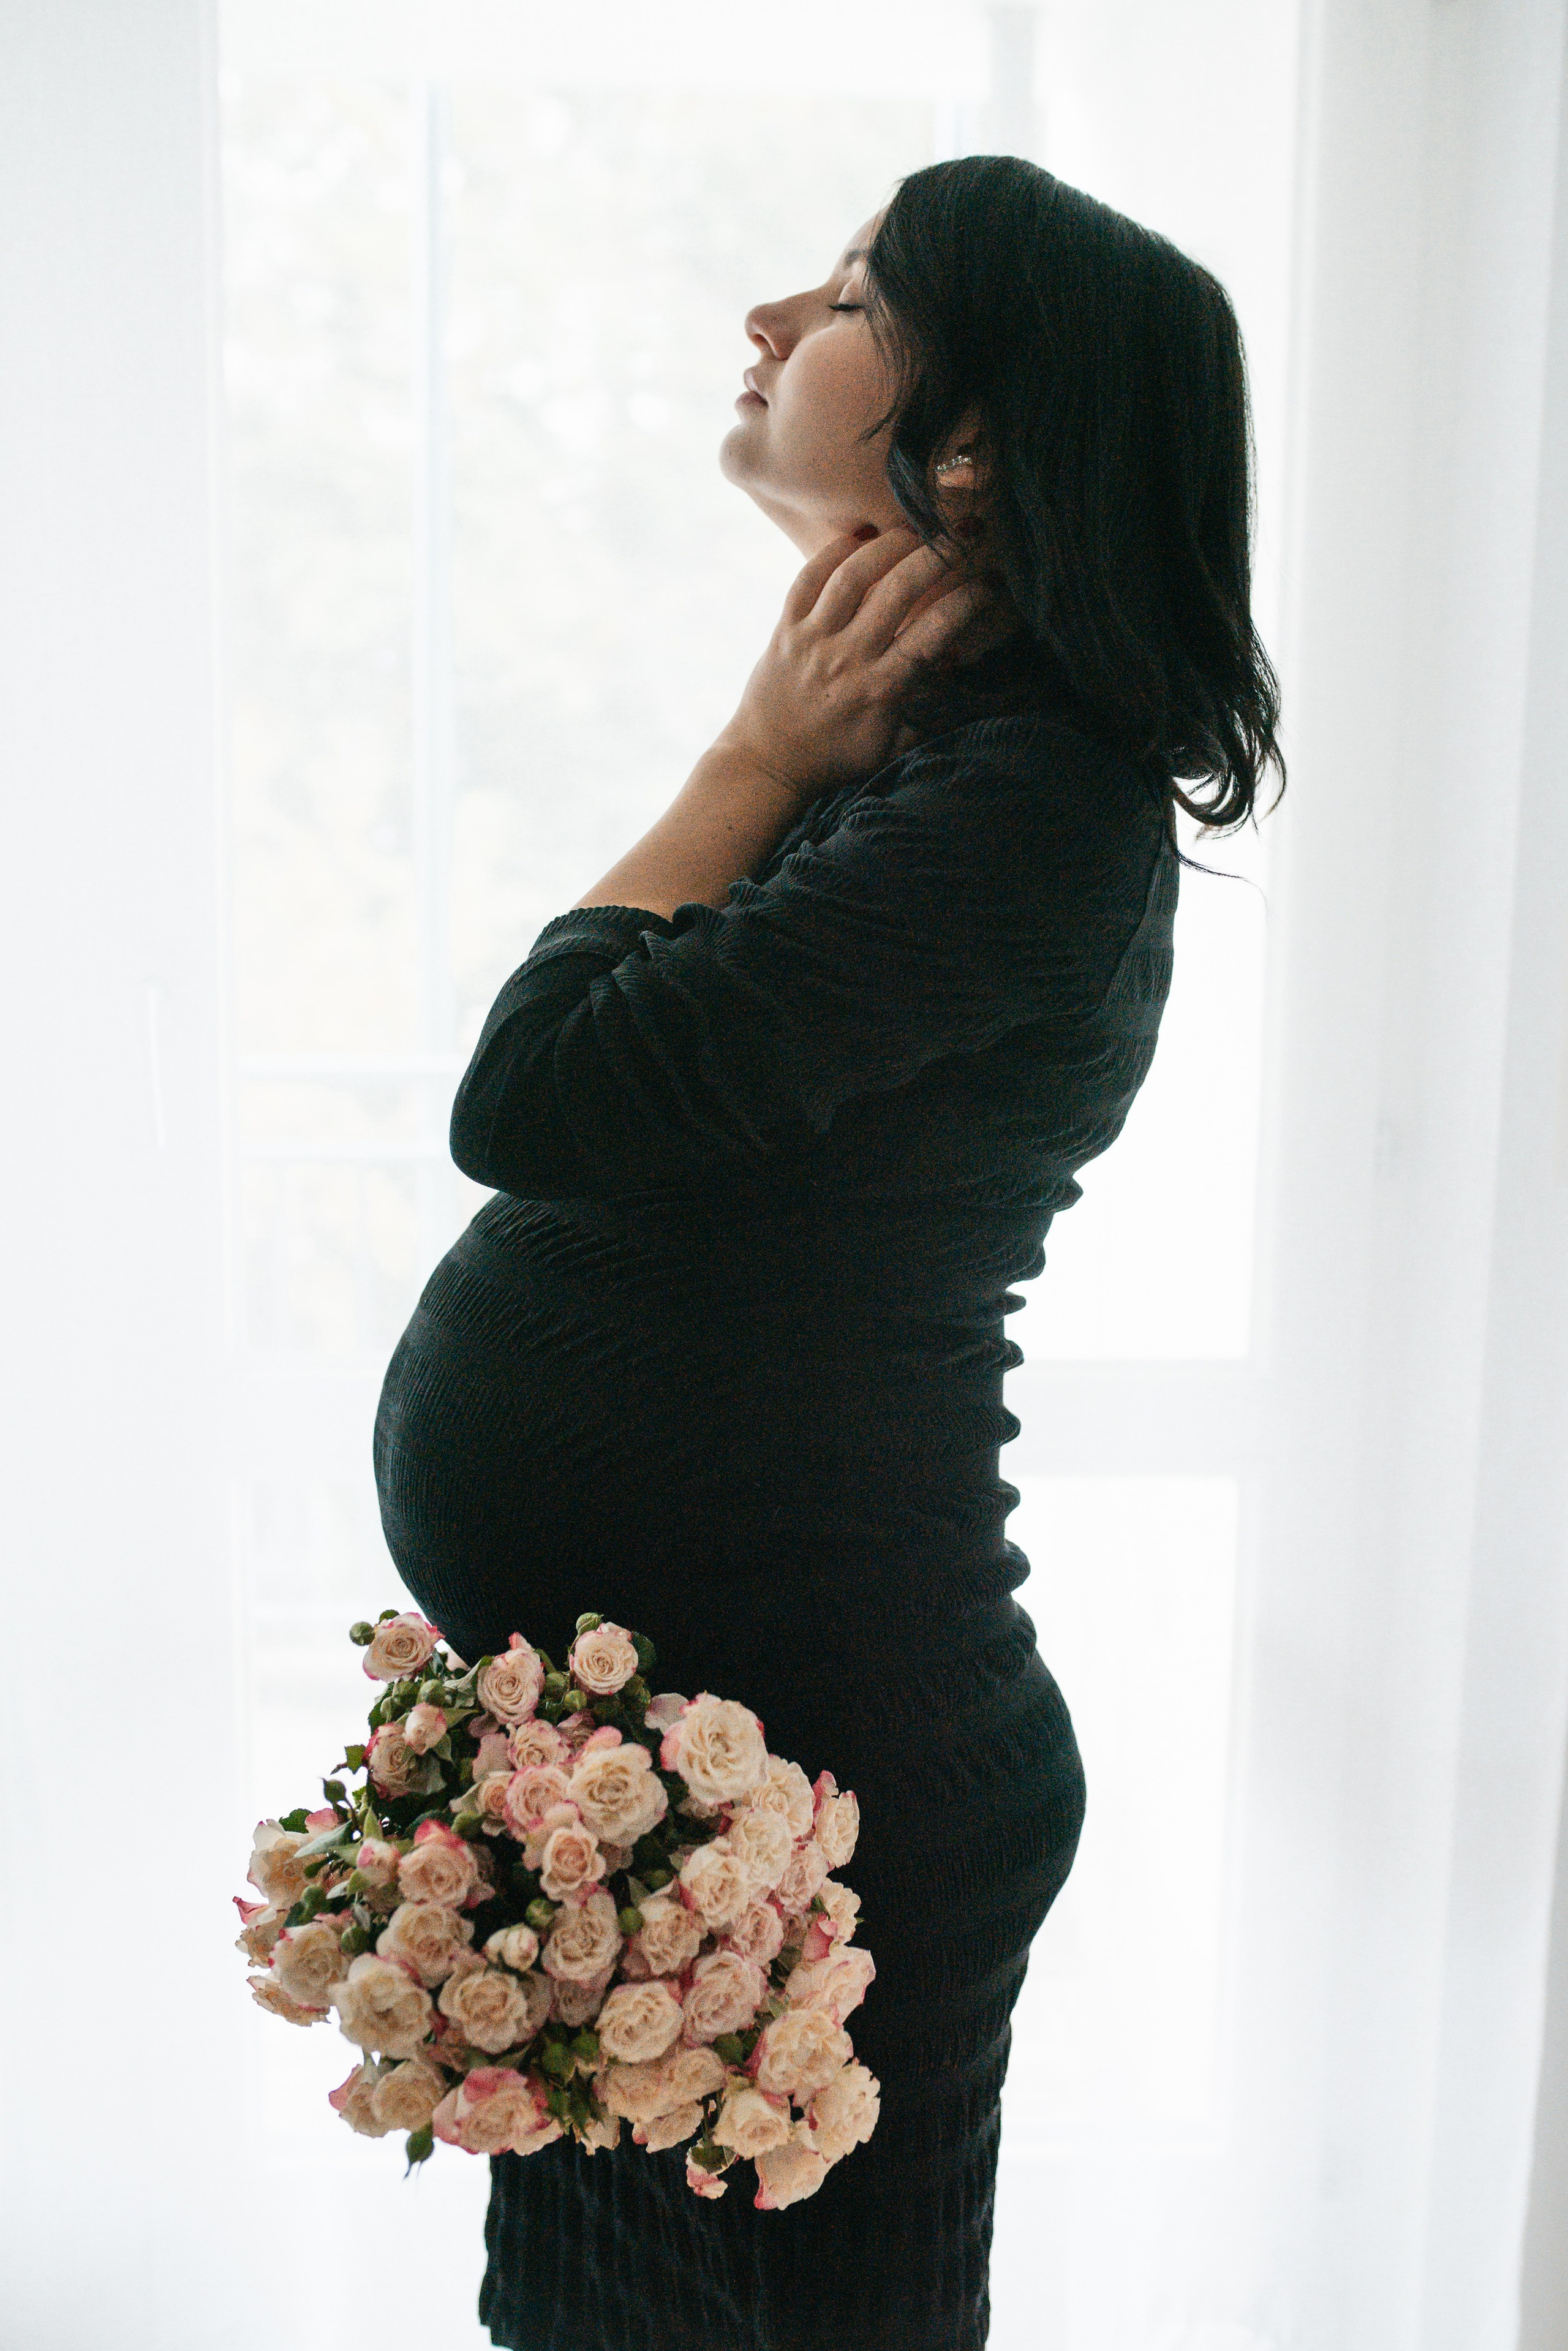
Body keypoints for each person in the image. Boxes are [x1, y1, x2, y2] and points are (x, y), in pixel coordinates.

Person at [374, 152, 1283, 2351]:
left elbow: (539, 1105)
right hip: (721, 1788)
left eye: (860, 290)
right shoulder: (938, 771)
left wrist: (743, 753)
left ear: (971, 446)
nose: (773, 312)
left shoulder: (1024, 805)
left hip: (819, 1801)